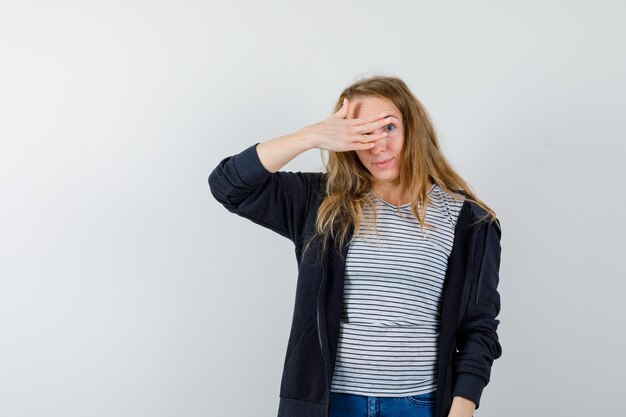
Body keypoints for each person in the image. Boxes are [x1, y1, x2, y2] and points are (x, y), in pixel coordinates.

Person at [208, 75, 503, 417]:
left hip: (419, 405)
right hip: (328, 405)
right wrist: (309, 137)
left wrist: (462, 410)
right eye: (362, 133)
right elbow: (227, 186)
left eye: (388, 127)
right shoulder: (319, 202)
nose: (377, 146)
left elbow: (479, 328)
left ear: (414, 128)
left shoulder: (470, 221)